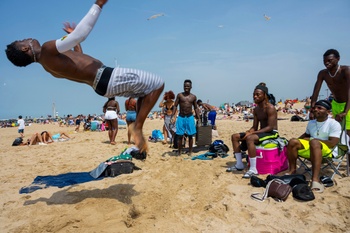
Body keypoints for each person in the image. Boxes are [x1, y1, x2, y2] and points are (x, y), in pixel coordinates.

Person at [5, 0, 164, 153]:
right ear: (25, 48)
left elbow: (78, 58)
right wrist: (99, 4)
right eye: (22, 41)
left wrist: (73, 38)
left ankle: (137, 126)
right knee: (157, 83)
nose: (26, 38)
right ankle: (137, 127)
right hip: (107, 77)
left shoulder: (48, 66)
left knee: (145, 91)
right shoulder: (47, 49)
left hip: (102, 85)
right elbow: (81, 35)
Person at [287, 100, 341, 193]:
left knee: (314, 142)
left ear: (328, 112)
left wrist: (314, 140)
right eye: (314, 108)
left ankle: (315, 180)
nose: (315, 110)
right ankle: (292, 171)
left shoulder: (333, 123)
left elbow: (333, 143)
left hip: (327, 150)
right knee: (292, 142)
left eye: (319, 108)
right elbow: (306, 135)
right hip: (312, 148)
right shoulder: (311, 123)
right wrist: (294, 141)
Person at [227, 84, 279, 178]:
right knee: (235, 136)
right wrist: (249, 131)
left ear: (264, 95)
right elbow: (255, 126)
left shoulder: (270, 108)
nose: (255, 96)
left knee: (250, 138)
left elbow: (270, 127)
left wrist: (252, 133)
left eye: (258, 94)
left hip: (272, 133)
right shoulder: (256, 109)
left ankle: (253, 169)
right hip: (262, 131)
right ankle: (239, 164)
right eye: (254, 94)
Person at [310, 49, 350, 138]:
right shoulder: (323, 73)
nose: (327, 63)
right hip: (335, 104)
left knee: (348, 130)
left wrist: (345, 112)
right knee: (338, 130)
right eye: (324, 61)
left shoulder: (346, 70)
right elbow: (316, 91)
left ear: (338, 59)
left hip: (348, 104)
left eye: (329, 60)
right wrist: (312, 109)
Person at [173, 79, 200, 155]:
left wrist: (198, 116)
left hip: (190, 117)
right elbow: (175, 106)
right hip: (181, 117)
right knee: (180, 135)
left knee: (190, 135)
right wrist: (173, 116)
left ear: (191, 87)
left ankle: (190, 151)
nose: (186, 87)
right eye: (185, 86)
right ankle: (179, 151)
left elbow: (195, 107)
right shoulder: (179, 95)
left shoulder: (193, 97)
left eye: (188, 86)